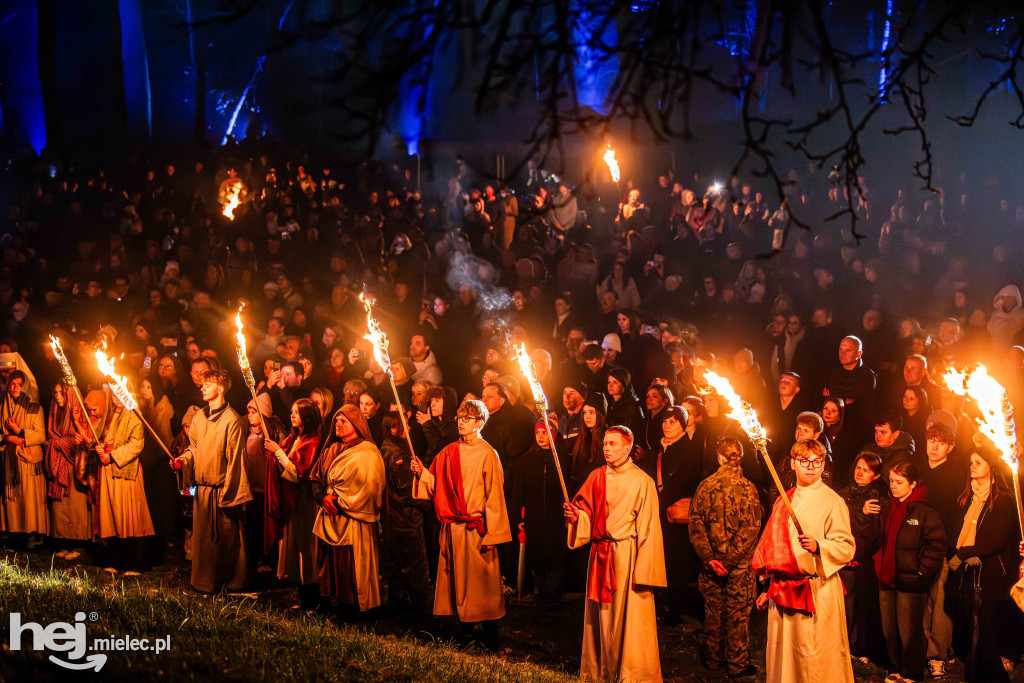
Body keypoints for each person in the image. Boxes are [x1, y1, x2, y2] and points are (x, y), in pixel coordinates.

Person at [563, 425, 666, 681]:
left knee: (626, 618)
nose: (607, 448)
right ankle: (599, 669)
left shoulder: (643, 481)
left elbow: (649, 528)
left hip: (626, 556)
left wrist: (644, 570)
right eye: (605, 444)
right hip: (600, 554)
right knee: (601, 617)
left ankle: (630, 673)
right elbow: (586, 515)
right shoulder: (597, 476)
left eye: (612, 444)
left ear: (627, 447)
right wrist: (577, 517)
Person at [410, 399, 512, 651]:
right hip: (453, 528)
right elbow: (436, 486)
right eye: (459, 418)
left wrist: (493, 533)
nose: (461, 422)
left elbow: (495, 495)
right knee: (457, 582)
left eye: (467, 419)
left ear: (480, 422)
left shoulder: (488, 454)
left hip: (477, 529)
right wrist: (422, 473)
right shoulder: (448, 451)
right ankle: (465, 633)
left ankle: (490, 636)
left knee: (483, 584)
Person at [753, 439, 855, 683]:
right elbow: (774, 550)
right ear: (793, 464)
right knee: (785, 656)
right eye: (804, 461)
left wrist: (820, 546)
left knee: (815, 657)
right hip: (784, 591)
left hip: (816, 591)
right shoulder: (783, 500)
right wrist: (769, 589)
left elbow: (847, 547)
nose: (810, 467)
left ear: (823, 466)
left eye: (816, 462)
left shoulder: (833, 502)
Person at [172, 369, 252, 593]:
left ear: (220, 388)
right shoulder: (199, 417)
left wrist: (230, 495)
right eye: (202, 385)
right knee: (203, 542)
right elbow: (194, 449)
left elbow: (236, 461)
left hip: (222, 492)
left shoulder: (232, 421)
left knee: (224, 541)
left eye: (207, 384)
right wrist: (183, 461)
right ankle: (203, 582)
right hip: (203, 492)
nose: (202, 388)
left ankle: (229, 582)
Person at [688, 438, 762, 679]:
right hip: (738, 566)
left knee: (713, 610)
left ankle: (712, 658)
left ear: (719, 457)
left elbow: (695, 523)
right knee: (737, 613)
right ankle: (737, 664)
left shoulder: (704, 486)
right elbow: (750, 528)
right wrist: (730, 561)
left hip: (712, 564)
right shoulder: (748, 488)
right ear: (739, 457)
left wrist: (710, 558)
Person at [947, 446, 1023, 682]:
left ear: (991, 466)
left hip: (994, 579)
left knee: (986, 640)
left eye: (978, 462)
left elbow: (994, 540)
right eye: (971, 461)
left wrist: (962, 554)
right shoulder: (968, 497)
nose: (972, 466)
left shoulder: (1003, 500)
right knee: (973, 638)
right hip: (972, 578)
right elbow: (957, 529)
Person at [873, 460, 946, 683]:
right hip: (887, 578)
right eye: (891, 481)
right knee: (890, 631)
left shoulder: (924, 510)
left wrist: (921, 572)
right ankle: (897, 671)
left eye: (899, 482)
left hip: (910, 581)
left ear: (912, 483)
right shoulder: (890, 506)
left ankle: (912, 674)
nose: (893, 486)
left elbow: (938, 544)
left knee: (910, 633)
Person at [311, 404, 386, 615]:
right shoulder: (332, 449)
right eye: (336, 421)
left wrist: (338, 500)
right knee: (329, 564)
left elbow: (370, 486)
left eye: (343, 421)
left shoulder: (368, 452)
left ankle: (353, 608)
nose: (338, 425)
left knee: (352, 565)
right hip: (329, 516)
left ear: (357, 424)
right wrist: (322, 497)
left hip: (354, 519)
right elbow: (315, 478)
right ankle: (330, 604)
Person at [640, 405, 702, 623]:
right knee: (659, 558)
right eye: (665, 422)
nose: (667, 426)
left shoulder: (690, 450)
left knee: (676, 563)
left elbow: (687, 480)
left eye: (673, 422)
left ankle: (674, 610)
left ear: (683, 425)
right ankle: (659, 605)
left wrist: (661, 499)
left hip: (675, 517)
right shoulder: (657, 449)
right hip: (656, 514)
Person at [264, 398, 323, 608]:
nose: (292, 416)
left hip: (304, 503)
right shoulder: (292, 439)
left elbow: (299, 473)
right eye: (291, 411)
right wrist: (274, 453)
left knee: (306, 548)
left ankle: (312, 598)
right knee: (294, 547)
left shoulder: (313, 441)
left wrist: (278, 453)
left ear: (307, 416)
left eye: (297, 412)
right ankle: (301, 594)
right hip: (292, 502)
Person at [97, 383, 155, 573]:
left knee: (128, 516)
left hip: (125, 471)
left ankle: (134, 562)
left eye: (119, 393)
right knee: (111, 515)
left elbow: (137, 444)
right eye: (113, 393)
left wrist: (112, 455)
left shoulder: (134, 415)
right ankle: (115, 560)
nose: (116, 397)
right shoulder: (109, 414)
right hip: (108, 471)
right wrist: (99, 447)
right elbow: (102, 437)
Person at [379, 410, 432, 613]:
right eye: (405, 425)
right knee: (416, 570)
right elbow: (407, 490)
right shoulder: (395, 454)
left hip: (396, 519)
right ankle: (423, 616)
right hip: (405, 520)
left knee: (397, 571)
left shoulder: (390, 447)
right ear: (394, 427)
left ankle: (398, 611)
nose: (409, 428)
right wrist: (427, 503)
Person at [838, 452, 886, 664]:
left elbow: (871, 533)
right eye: (858, 467)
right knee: (845, 605)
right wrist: (858, 510)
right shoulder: (845, 492)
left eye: (866, 470)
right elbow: (837, 518)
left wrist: (861, 512)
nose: (860, 472)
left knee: (862, 607)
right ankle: (844, 645)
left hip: (863, 560)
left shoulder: (875, 497)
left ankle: (860, 648)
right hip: (844, 557)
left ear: (875, 475)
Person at [1, 370, 49, 545]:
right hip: (10, 460)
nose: (15, 388)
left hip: (28, 460)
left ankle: (33, 537)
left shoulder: (34, 408)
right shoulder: (2, 408)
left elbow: (41, 436)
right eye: (13, 384)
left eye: (19, 385)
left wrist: (19, 431)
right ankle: (15, 538)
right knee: (13, 505)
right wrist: (7, 438)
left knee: (30, 503)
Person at [45, 381, 94, 553]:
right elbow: (51, 436)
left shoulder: (80, 416)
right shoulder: (55, 414)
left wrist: (62, 443)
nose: (57, 396)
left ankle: (79, 545)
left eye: (61, 393)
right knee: (60, 507)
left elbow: (84, 439)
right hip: (59, 465)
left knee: (76, 507)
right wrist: (55, 443)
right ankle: (63, 543)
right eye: (55, 392)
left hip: (76, 468)